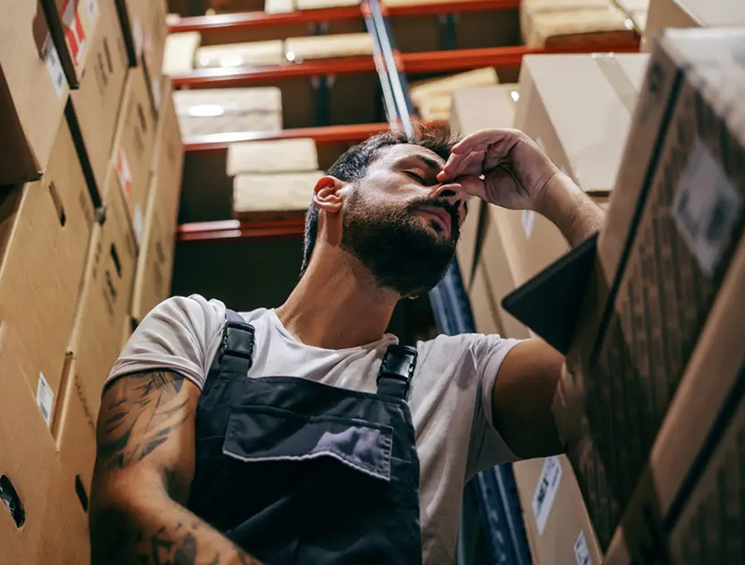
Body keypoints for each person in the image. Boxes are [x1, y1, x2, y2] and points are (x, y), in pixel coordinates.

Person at [88, 125, 605, 564]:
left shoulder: (460, 375)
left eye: (461, 203)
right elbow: (127, 509)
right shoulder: (198, 329)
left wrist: (547, 185)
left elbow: (620, 355)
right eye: (417, 175)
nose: (451, 195)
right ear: (331, 193)